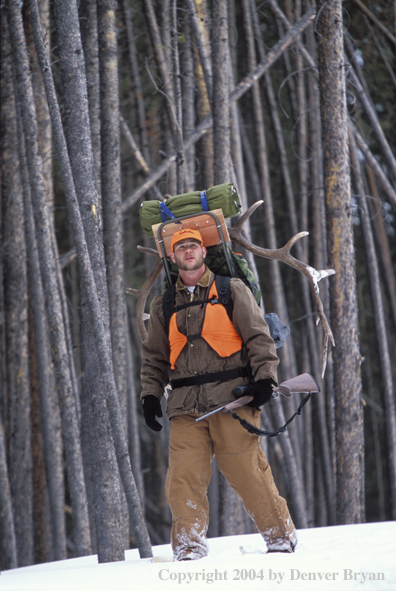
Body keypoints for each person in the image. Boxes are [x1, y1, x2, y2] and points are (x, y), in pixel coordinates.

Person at [140, 228, 297, 560]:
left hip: (232, 400)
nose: (187, 251)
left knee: (247, 472)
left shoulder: (231, 290)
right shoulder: (163, 304)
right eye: (180, 247)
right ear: (172, 256)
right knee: (182, 479)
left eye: (192, 245)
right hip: (185, 407)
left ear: (203, 250)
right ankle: (188, 548)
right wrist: (150, 396)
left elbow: (259, 340)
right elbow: (154, 358)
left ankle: (280, 537)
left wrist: (265, 380)